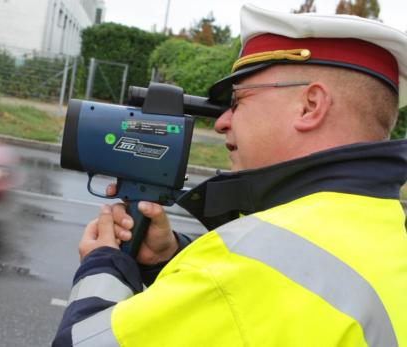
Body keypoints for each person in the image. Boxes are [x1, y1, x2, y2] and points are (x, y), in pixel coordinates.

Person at [53, 4, 407, 346]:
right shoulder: (387, 234)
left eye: (238, 101)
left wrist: (103, 266)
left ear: (310, 106)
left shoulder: (244, 267)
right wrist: (172, 259)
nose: (222, 122)